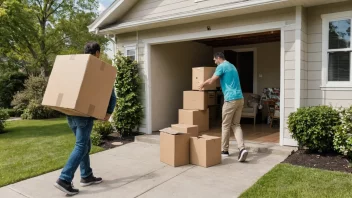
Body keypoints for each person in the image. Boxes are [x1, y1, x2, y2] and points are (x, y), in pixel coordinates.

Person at [54, 42, 117, 195]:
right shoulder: (98, 69)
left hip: (70, 112)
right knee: (82, 146)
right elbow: (111, 94)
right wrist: (108, 112)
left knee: (85, 144)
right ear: (97, 53)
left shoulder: (76, 66)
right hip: (84, 115)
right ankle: (64, 178)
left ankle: (86, 175)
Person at [199, 52, 248, 162]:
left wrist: (202, 84)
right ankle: (242, 149)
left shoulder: (222, 66)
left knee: (225, 125)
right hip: (240, 99)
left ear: (218, 58)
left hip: (230, 99)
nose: (215, 62)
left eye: (214, 60)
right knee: (236, 124)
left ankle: (224, 150)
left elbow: (212, 80)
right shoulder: (232, 66)